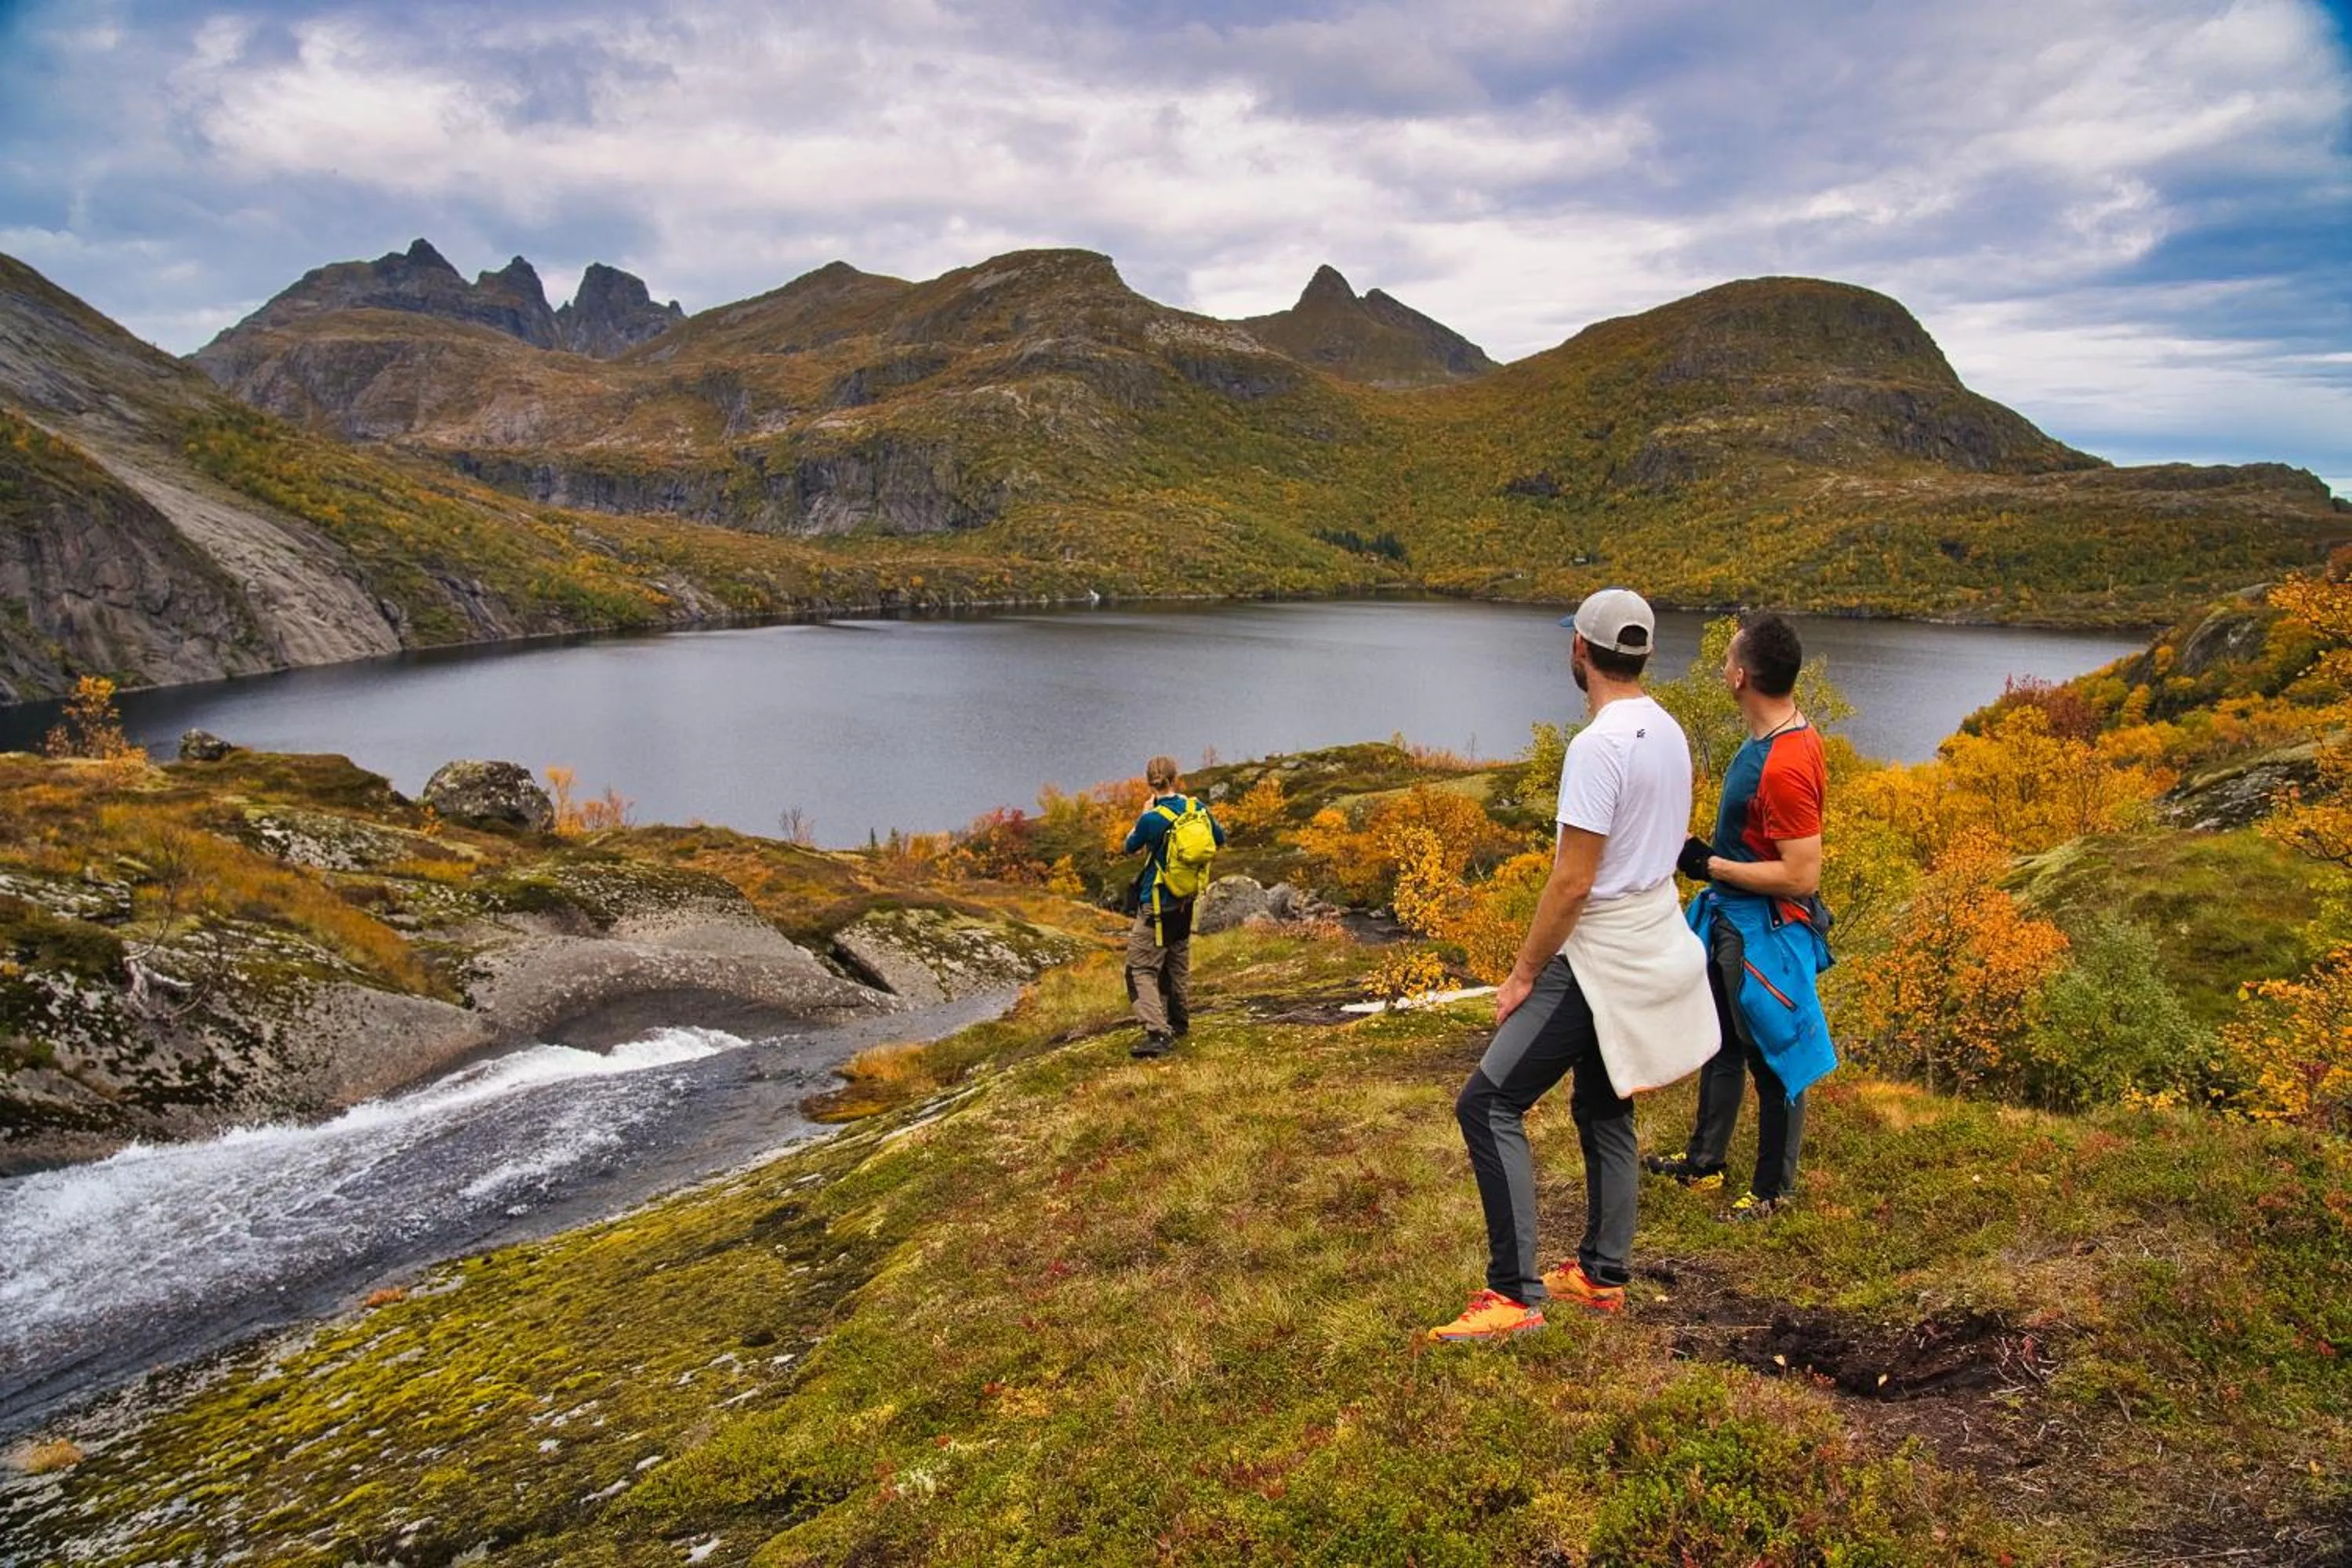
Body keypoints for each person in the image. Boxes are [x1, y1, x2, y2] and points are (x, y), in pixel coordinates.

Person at [1429, 590, 1720, 1342]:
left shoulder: (1596, 747)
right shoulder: (1667, 729)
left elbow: (1573, 880)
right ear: (1645, 655)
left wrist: (1525, 973)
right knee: (1603, 1102)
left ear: (1580, 652)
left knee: (1486, 1104)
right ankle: (1602, 1275)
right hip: (1651, 938)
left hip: (1596, 953)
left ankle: (1513, 1295)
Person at [1647, 610, 1837, 1219]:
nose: (1722, 664)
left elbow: (1802, 873)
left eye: (1728, 657)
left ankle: (1774, 1192)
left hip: (1767, 931)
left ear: (1741, 677)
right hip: (1736, 920)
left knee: (1773, 1053)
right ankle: (1705, 1165)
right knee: (1723, 1041)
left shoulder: (1784, 763)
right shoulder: (1774, 739)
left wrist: (1713, 867)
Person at [1121, 756, 1225, 1058]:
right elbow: (1219, 839)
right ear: (1176, 778)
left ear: (1149, 782)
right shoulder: (1197, 809)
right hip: (1186, 901)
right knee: (1176, 962)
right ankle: (1179, 1023)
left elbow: (1129, 846)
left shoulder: (1151, 818)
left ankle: (1157, 1033)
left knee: (1140, 968)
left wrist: (1143, 816)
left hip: (1156, 904)